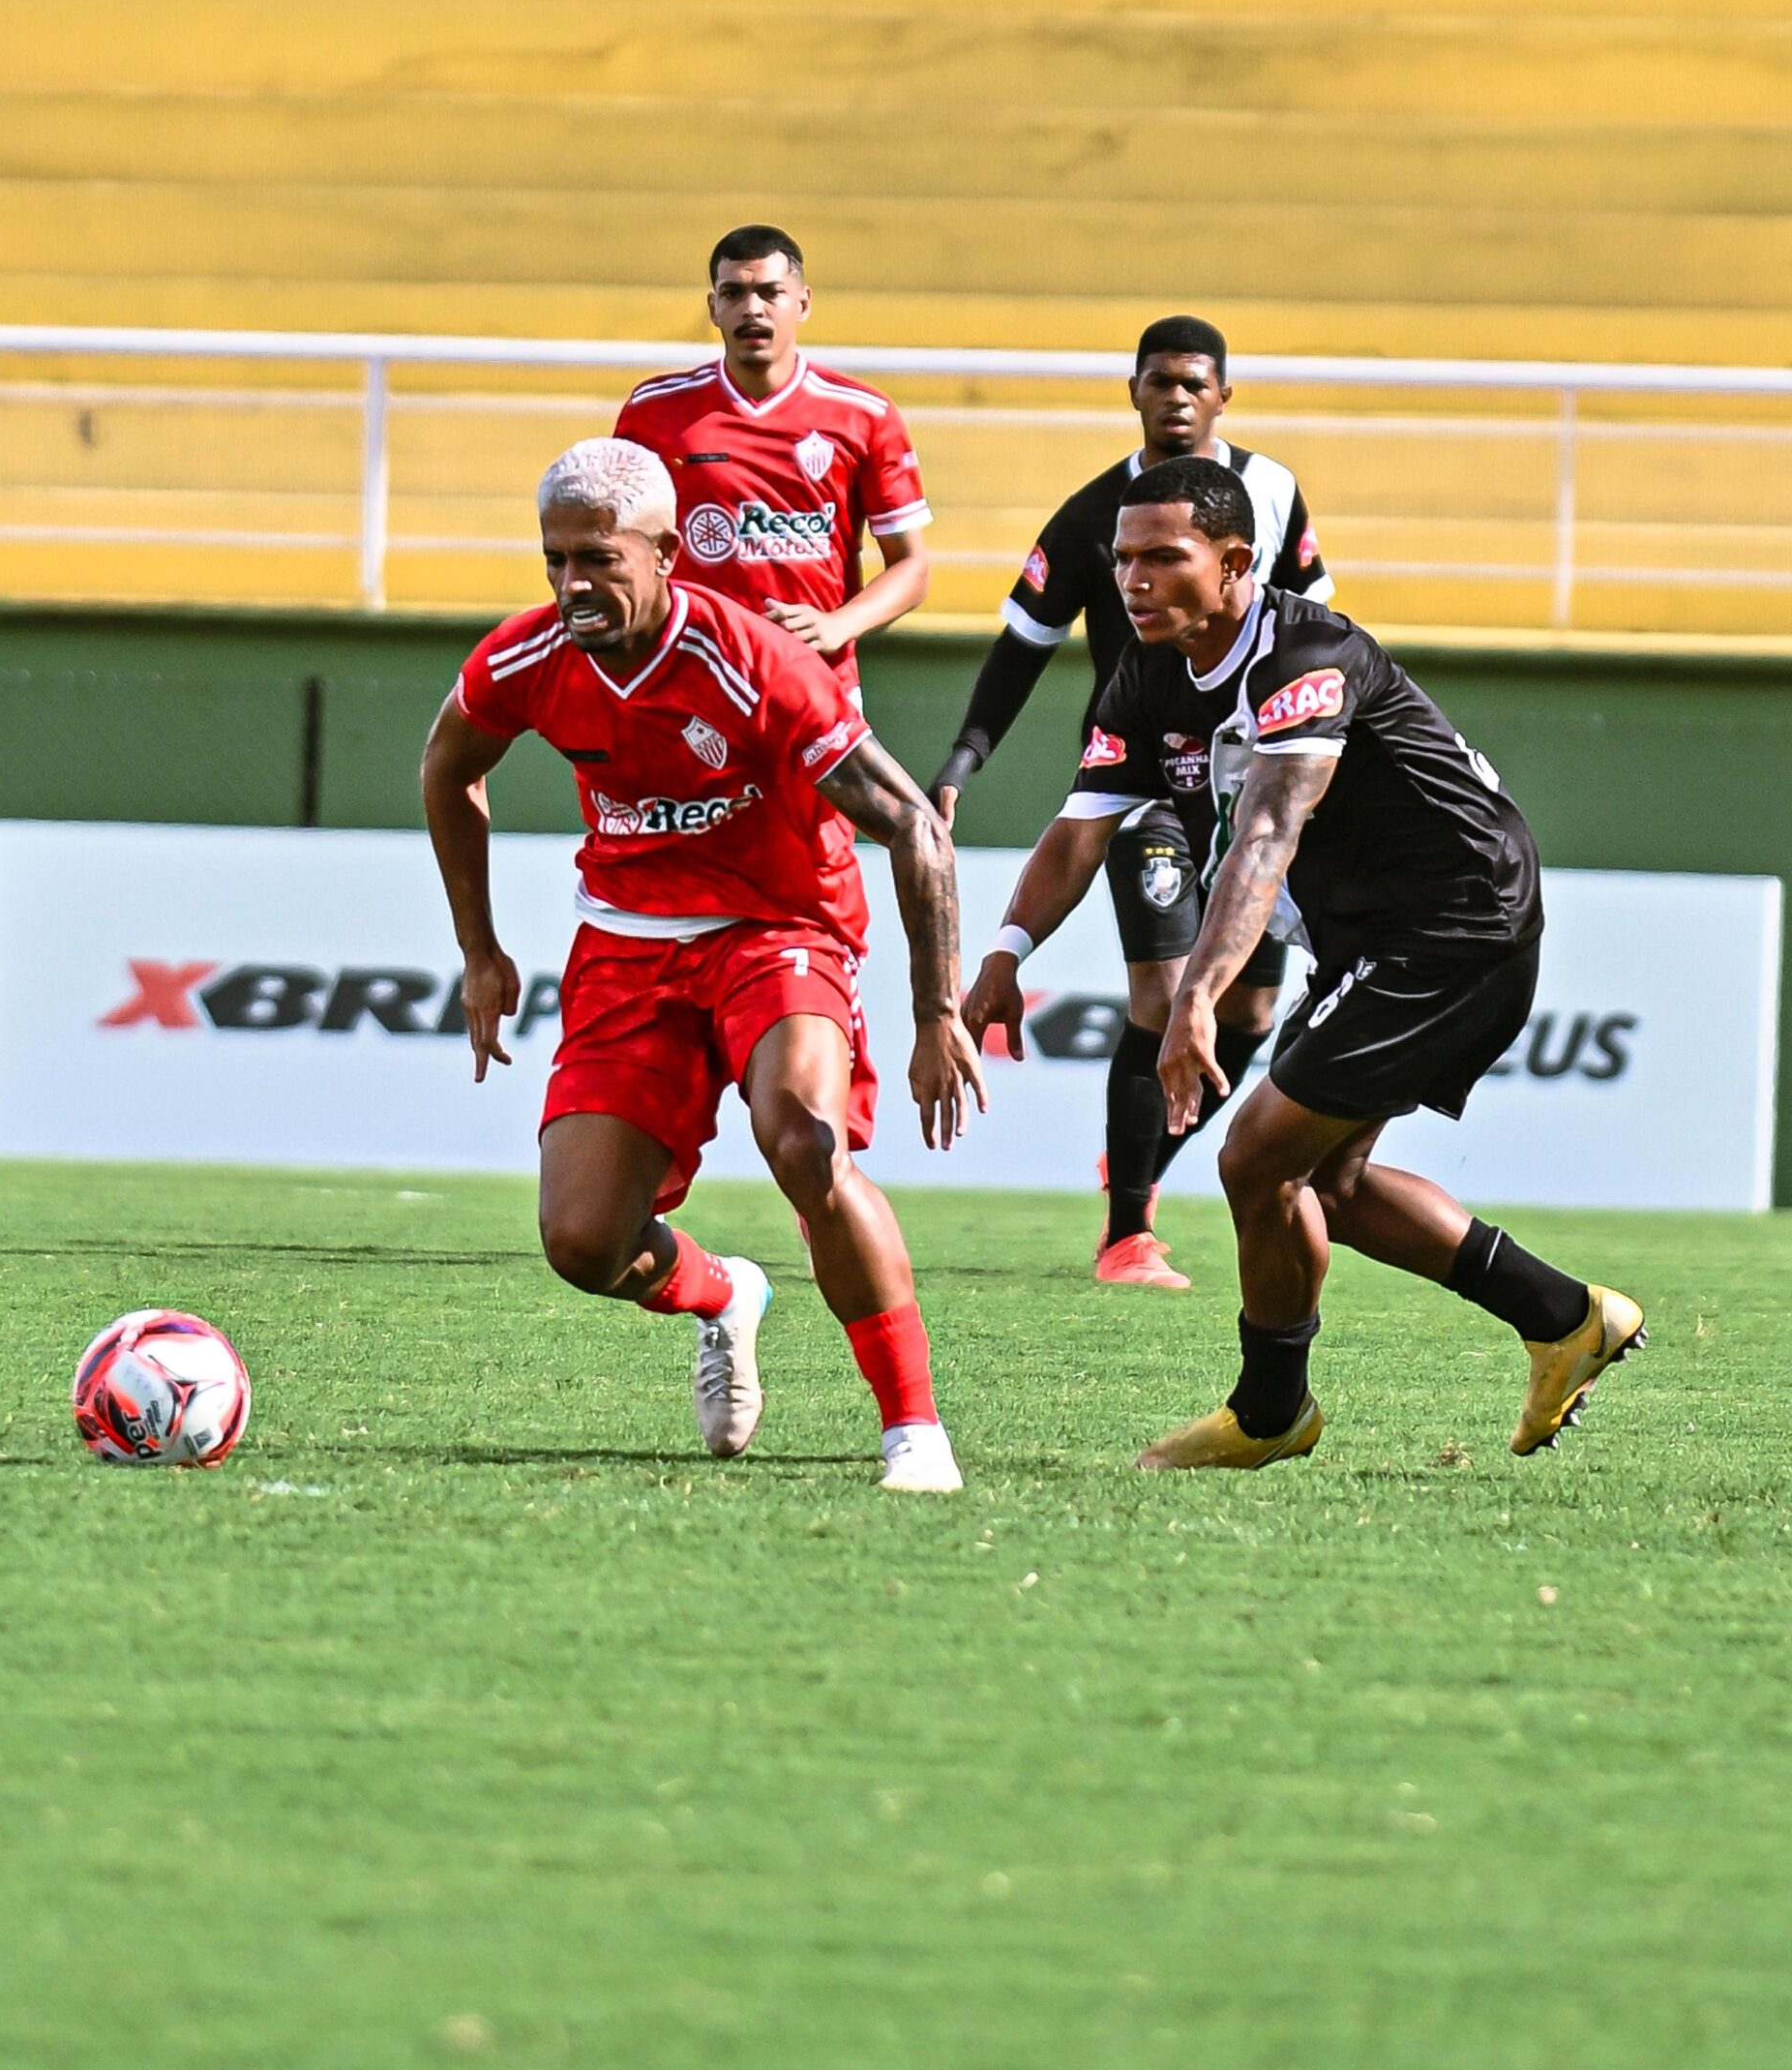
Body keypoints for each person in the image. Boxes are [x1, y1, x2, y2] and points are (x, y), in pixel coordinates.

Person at [964, 458, 1644, 1470]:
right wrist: (1005, 951)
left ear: (1235, 562)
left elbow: (1269, 829)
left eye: (1163, 556)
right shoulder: (1145, 673)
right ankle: (1563, 1316)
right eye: (1122, 559)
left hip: (1457, 920)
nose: (1133, 580)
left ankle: (1269, 1410)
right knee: (1325, 1181)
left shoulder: (1307, 655)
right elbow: (1080, 828)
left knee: (1254, 1157)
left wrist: (1195, 994)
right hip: (1369, 934)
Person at [421, 437, 986, 1493]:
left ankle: (913, 1430)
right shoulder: (526, 657)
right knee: (581, 1242)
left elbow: (914, 823)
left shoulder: (755, 663)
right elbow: (448, 764)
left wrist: (935, 1010)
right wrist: (478, 949)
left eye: (598, 559)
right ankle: (726, 1294)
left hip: (777, 926)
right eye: (555, 560)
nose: (573, 585)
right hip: (626, 944)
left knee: (804, 1143)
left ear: (666, 553)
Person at [931, 315, 1332, 1290]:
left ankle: (1137, 1163)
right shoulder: (1089, 514)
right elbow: (1022, 647)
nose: (1177, 397)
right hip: (1141, 778)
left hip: (1251, 782)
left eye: (1195, 382)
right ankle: (1127, 1236)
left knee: (1250, 1005)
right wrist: (963, 760)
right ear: (1134, 391)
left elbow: (1319, 622)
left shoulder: (1273, 492)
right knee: (1163, 992)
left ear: (1223, 395)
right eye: (1160, 381)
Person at [613, 225, 933, 691]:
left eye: (770, 292)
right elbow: (619, 546)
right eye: (733, 294)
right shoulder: (653, 411)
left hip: (818, 686)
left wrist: (838, 624)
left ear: (802, 303)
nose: (752, 309)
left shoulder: (863, 414)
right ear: (713, 308)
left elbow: (911, 567)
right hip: (691, 684)